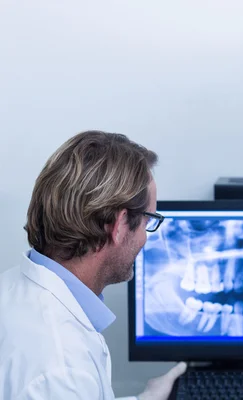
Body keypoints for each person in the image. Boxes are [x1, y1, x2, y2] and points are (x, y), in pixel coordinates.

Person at [0, 131, 187, 399]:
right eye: (149, 220)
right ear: (121, 225)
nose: (146, 237)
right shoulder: (60, 370)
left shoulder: (13, 286)